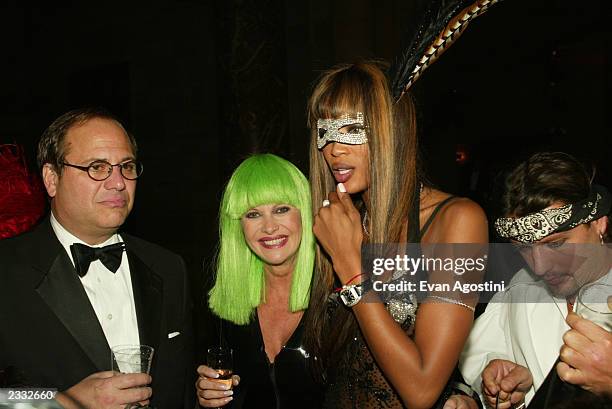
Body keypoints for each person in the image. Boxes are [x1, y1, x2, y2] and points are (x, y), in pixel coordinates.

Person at [303, 61, 489, 409]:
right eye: (325, 130)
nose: (333, 148)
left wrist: (351, 268)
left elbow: (421, 389)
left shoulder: (456, 221)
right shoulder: (338, 222)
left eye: (352, 128)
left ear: (392, 131)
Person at [0, 108, 195, 409]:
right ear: (52, 178)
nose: (118, 182)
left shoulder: (169, 268)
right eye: (97, 167)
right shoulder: (8, 271)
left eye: (126, 166)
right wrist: (63, 402)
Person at [458, 152, 612, 408]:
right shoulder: (521, 289)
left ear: (599, 223)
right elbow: (479, 354)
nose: (539, 267)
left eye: (557, 244)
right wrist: (497, 375)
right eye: (524, 249)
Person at [196, 154, 323, 408]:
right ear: (238, 227)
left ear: (305, 213)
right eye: (253, 214)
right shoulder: (227, 304)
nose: (269, 227)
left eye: (281, 209)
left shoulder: (338, 295)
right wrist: (205, 397)